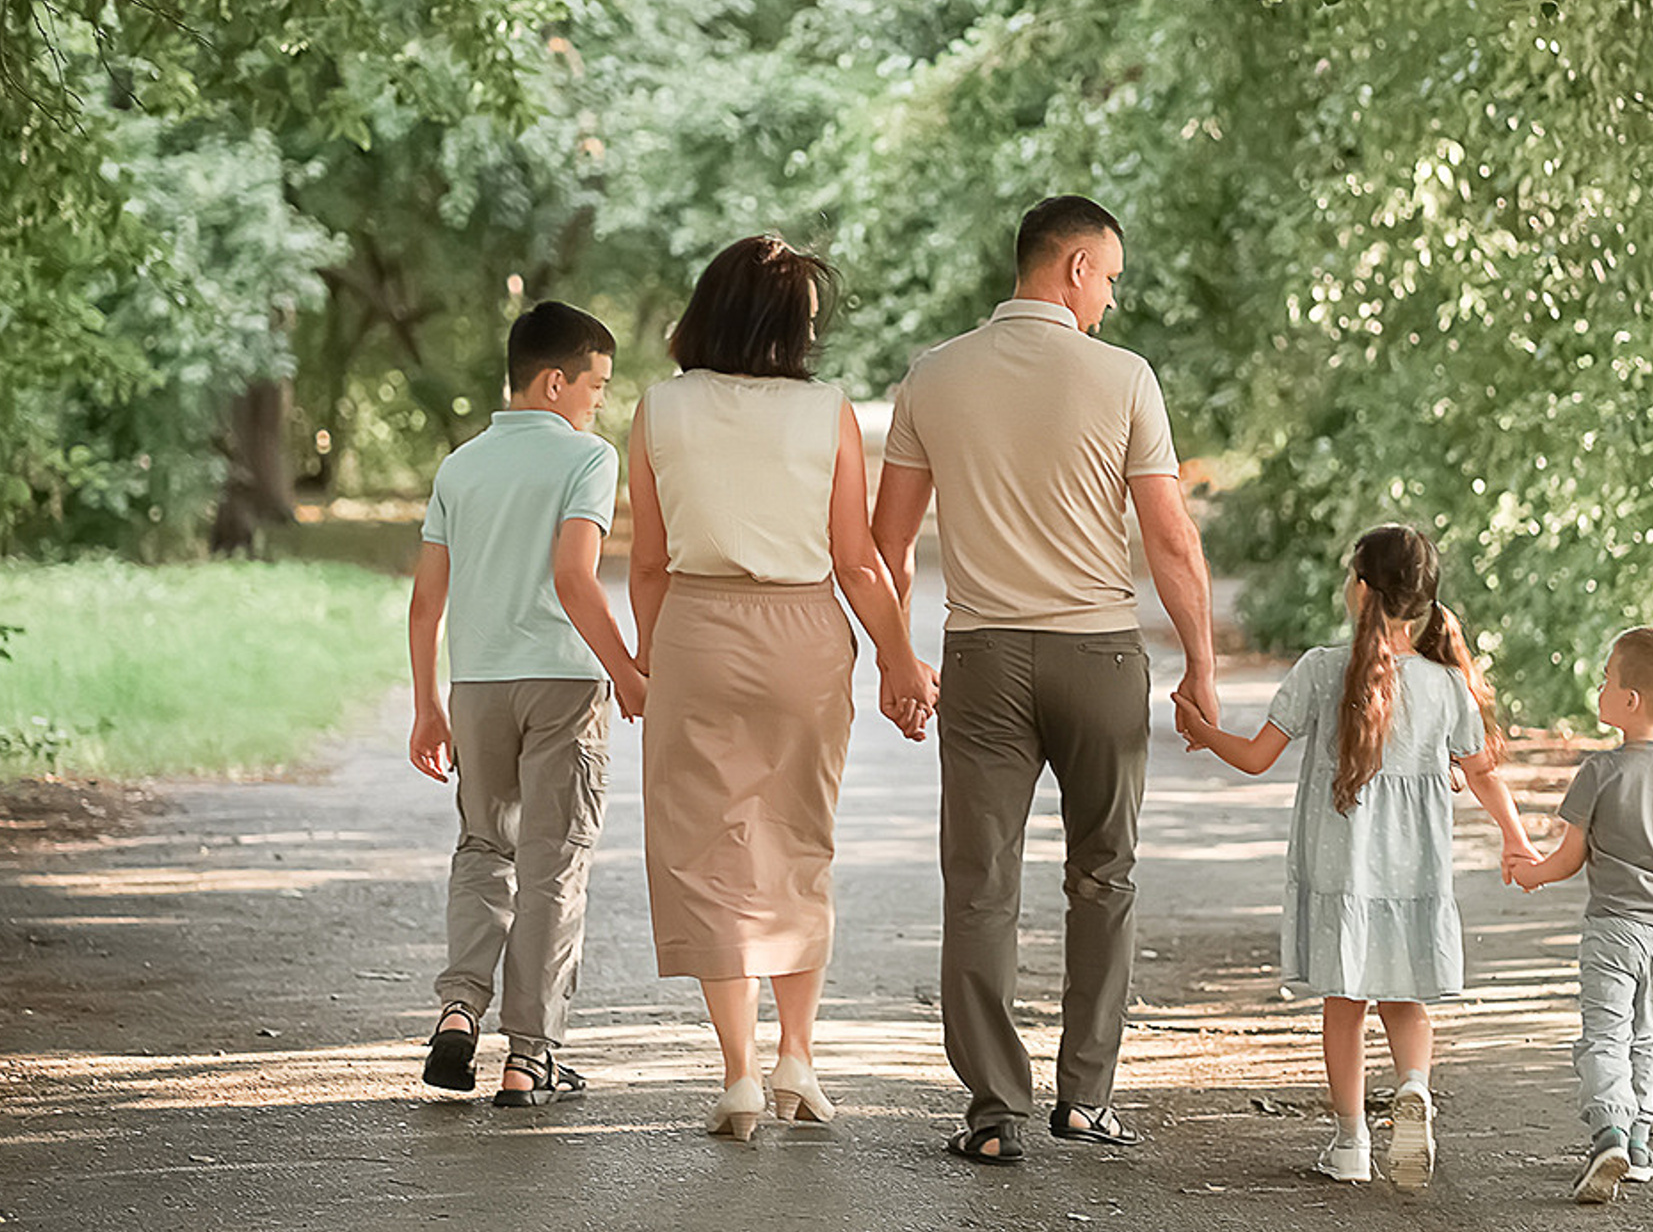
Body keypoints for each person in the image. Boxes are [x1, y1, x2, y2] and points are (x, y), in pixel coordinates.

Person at [871, 194, 1217, 1165]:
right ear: (1072, 269)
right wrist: (1200, 663)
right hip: (1099, 656)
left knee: (979, 884)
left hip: (982, 659)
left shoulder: (933, 376)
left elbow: (885, 545)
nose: (1111, 296)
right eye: (1109, 276)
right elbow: (1171, 541)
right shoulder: (1124, 378)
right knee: (1104, 875)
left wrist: (899, 656)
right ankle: (1085, 1097)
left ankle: (992, 1111)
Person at [628, 236, 938, 1142]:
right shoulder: (827, 412)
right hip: (804, 631)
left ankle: (736, 1074)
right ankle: (797, 1053)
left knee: (708, 846)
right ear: (787, 323)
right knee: (800, 835)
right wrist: (898, 660)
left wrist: (657, 659)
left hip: (697, 625)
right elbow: (858, 562)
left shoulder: (658, 410)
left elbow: (646, 563)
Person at [1174, 524, 1537, 1190]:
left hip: (1343, 871)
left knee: (1345, 1001)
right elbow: (1482, 772)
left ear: (1362, 590)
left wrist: (1202, 730)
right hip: (1416, 872)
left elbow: (1257, 757)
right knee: (1405, 998)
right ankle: (1414, 1088)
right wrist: (1514, 836)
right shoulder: (1446, 684)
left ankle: (1349, 1142)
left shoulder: (1321, 669)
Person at [408, 300, 647, 1108]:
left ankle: (457, 1013)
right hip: (563, 683)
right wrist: (629, 670)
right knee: (553, 863)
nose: (599, 401)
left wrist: (425, 705)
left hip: (476, 684)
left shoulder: (459, 466)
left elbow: (424, 604)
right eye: (597, 384)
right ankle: (531, 1056)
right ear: (555, 381)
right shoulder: (587, 458)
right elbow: (576, 580)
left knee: (483, 849)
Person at [1511, 626, 1653, 1203]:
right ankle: (1636, 1144)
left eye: (1608, 679)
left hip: (1614, 929)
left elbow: (1568, 857)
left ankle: (1608, 1129)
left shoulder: (1600, 773)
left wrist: (1529, 872)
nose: (1601, 687)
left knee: (1604, 1037)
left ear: (1630, 702)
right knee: (1645, 1034)